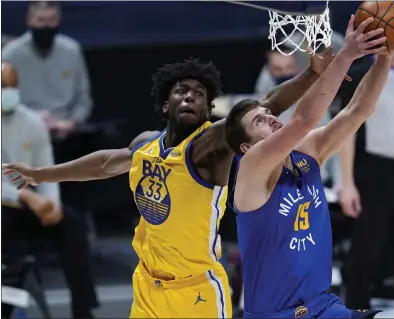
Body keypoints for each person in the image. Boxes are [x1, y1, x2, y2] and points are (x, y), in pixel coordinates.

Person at [4, 47, 338, 317]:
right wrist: (41, 173)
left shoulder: (210, 146)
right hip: (148, 286)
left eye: (199, 94)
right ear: (167, 104)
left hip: (196, 293)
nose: (190, 97)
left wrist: (311, 74)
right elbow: (106, 163)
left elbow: (264, 106)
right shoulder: (146, 145)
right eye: (182, 91)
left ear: (208, 110)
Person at [224, 16, 389, 318]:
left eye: (267, 113)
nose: (271, 117)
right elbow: (304, 119)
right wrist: (347, 55)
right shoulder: (251, 168)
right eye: (258, 121)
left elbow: (359, 109)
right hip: (274, 314)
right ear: (245, 147)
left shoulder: (307, 154)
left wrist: (385, 56)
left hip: (322, 306)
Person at [1, 61, 98, 318]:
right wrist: (23, 195)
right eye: (2, 86)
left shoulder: (32, 122)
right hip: (7, 204)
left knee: (72, 223)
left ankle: (83, 309)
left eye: (10, 86)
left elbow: (47, 169)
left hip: (30, 203)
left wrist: (51, 205)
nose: (6, 91)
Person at [338, 49, 394, 317]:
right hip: (375, 172)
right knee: (364, 258)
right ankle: (356, 312)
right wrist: (346, 182)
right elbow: (345, 131)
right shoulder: (359, 75)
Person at [2, 1, 92, 139]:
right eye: (41, 20)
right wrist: (33, 120)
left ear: (59, 20)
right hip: (24, 130)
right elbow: (4, 101)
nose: (46, 26)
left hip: (67, 131)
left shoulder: (72, 51)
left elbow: (83, 100)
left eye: (51, 20)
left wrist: (70, 122)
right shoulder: (11, 55)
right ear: (29, 20)